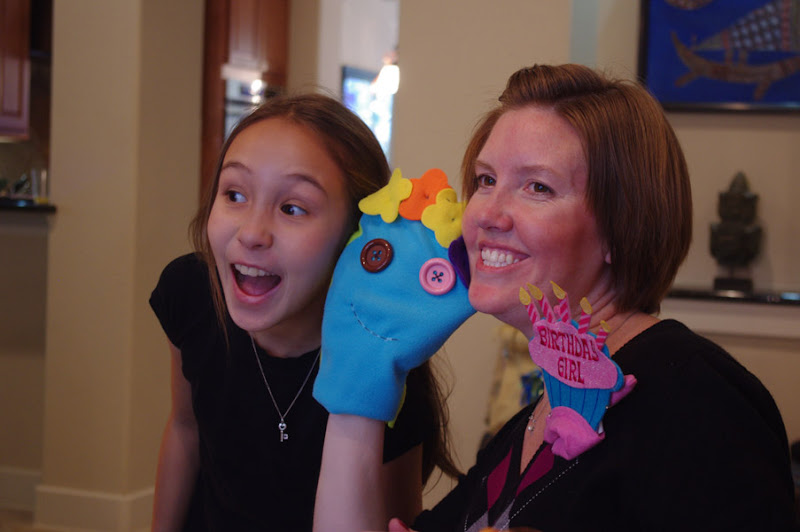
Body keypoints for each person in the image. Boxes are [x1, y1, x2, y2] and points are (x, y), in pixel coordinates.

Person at [313, 64, 796, 531]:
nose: (487, 215)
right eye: (486, 180)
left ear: (621, 227)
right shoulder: (526, 427)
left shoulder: (697, 399)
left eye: (538, 187)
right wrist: (360, 381)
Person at [148, 93, 459, 531]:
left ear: (354, 235)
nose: (252, 233)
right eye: (234, 194)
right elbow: (185, 428)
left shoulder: (381, 364)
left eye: (292, 208)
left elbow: (393, 520)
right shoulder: (190, 294)